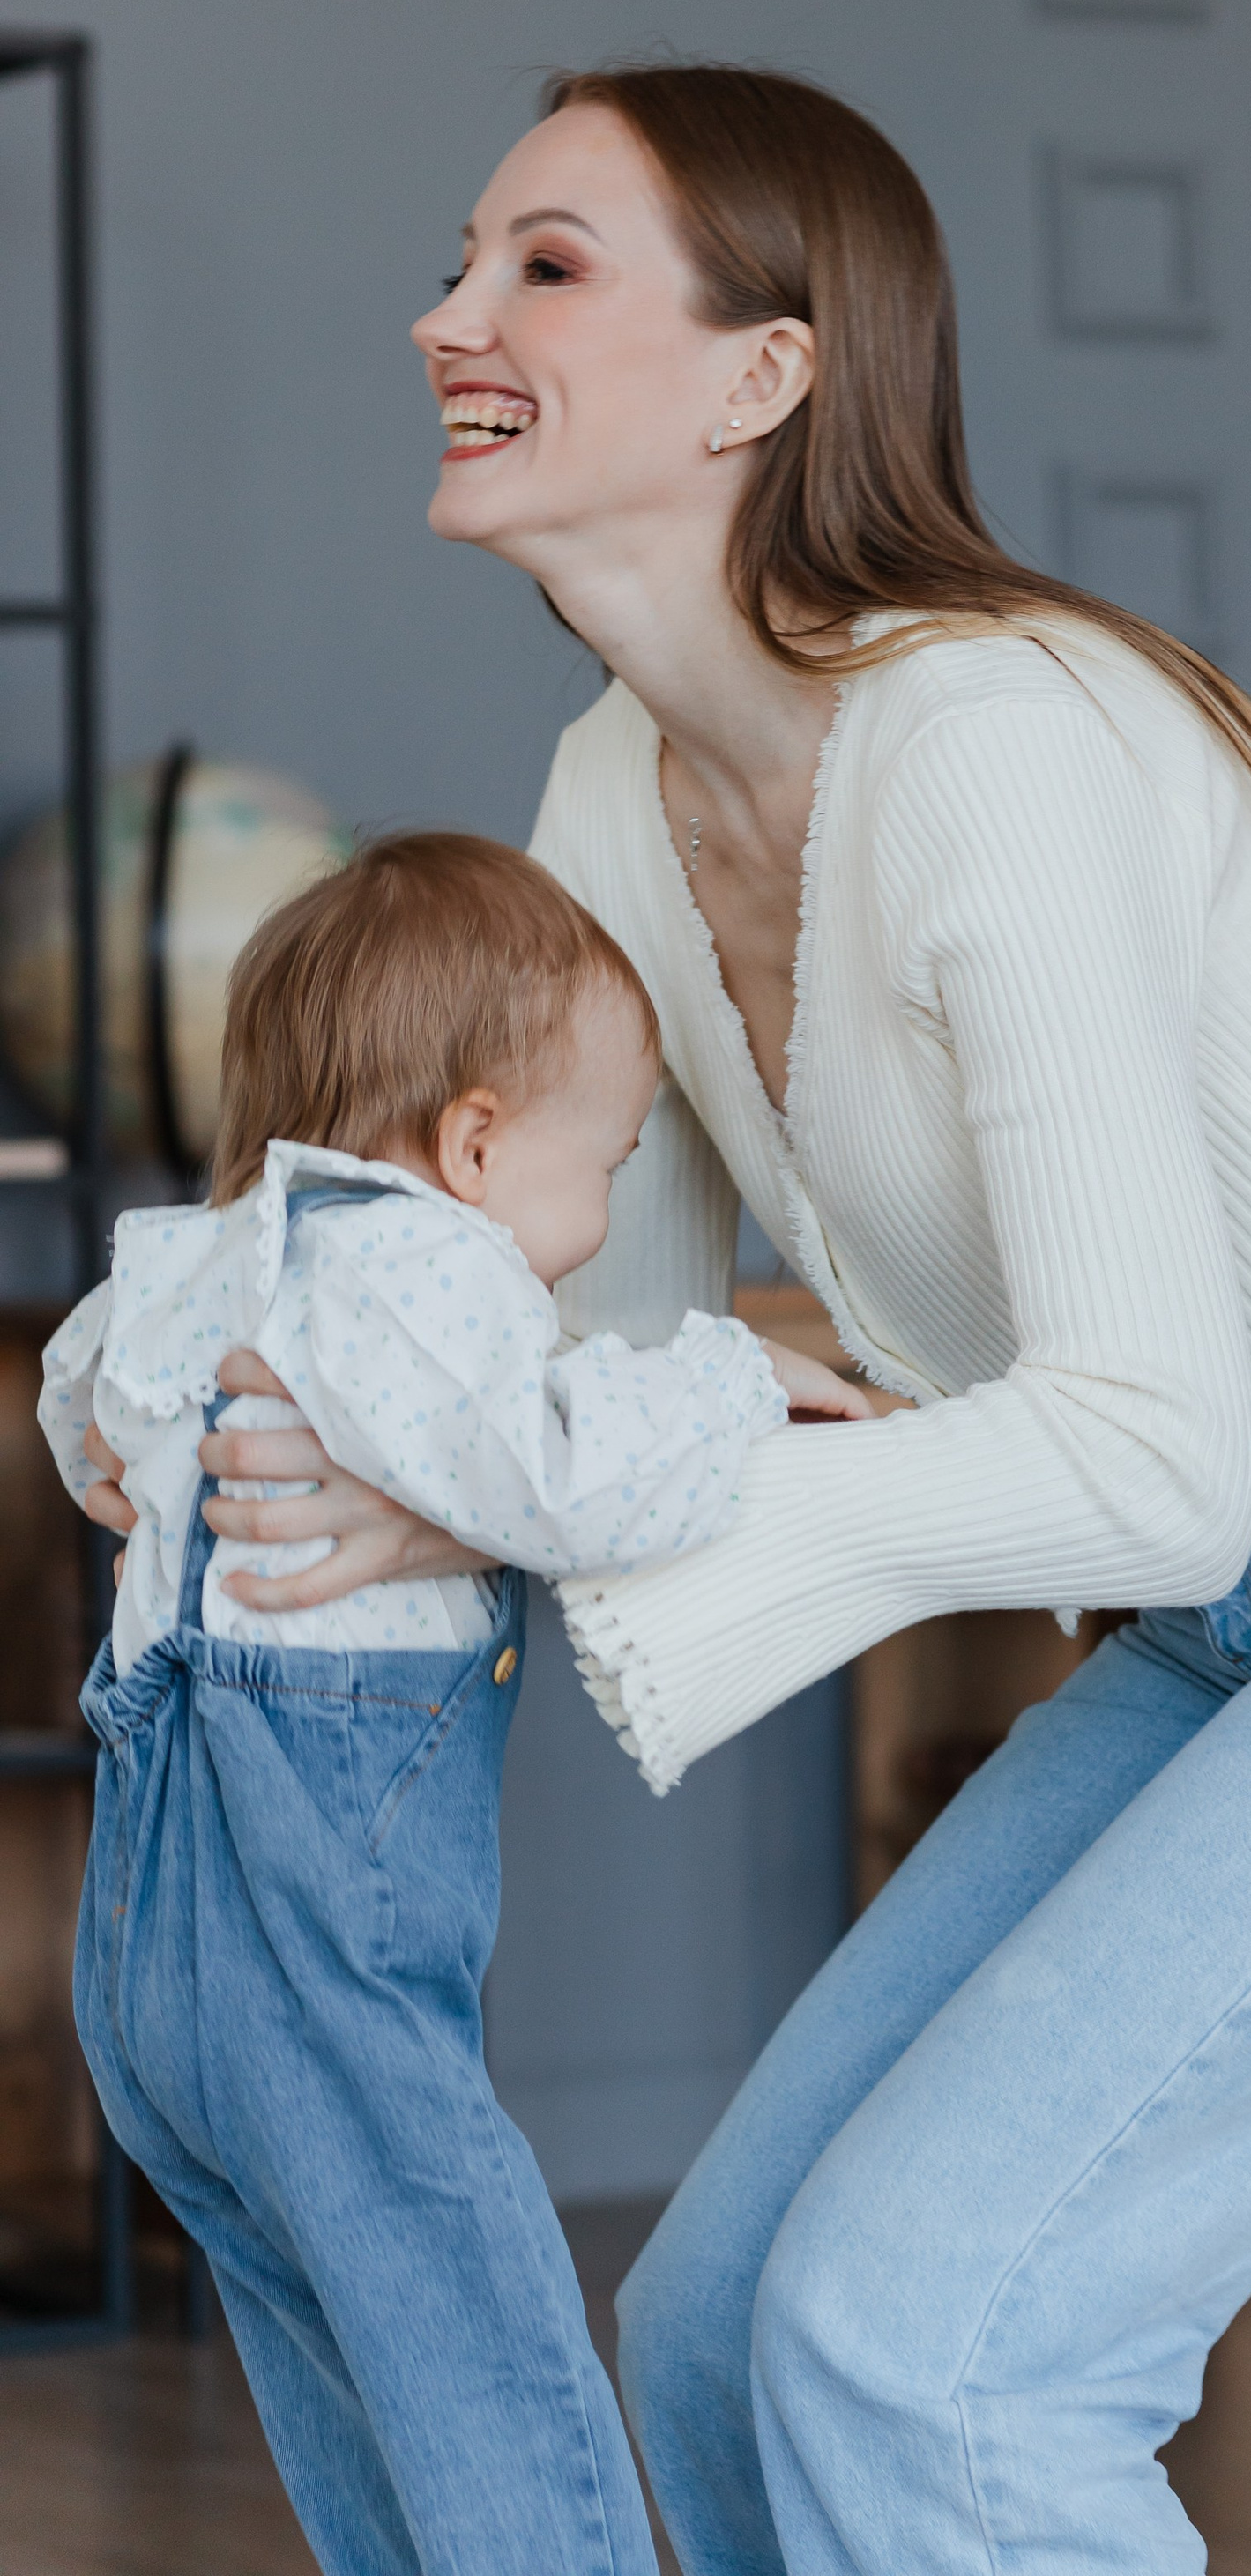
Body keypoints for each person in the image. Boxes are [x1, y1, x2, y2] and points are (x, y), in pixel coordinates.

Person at [82, 63, 1251, 2576]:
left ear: (766, 374)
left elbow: (1153, 1457)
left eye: (544, 265)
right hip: (1221, 1625)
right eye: (462, 259)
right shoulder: (605, 806)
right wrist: (240, 1419)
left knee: (932, 2349)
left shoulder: (989, 738)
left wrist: (464, 1463)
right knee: (725, 2325)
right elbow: (569, 1380)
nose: (448, 314)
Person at [47, 831, 799, 2576]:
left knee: (369, 2418)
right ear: (471, 1145)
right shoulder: (421, 1264)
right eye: (602, 1164)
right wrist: (733, 1372)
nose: (597, 1220)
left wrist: (117, 1468)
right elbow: (570, 1477)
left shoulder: (208, 1258)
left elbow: (83, 1401)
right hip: (322, 1967)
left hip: (155, 1972)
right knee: (498, 2390)